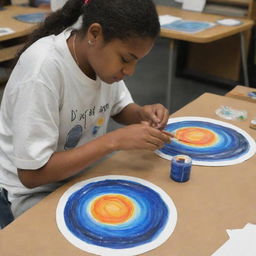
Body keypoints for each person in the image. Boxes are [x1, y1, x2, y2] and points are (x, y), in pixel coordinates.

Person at [0, 0, 170, 220]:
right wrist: (113, 141)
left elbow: (118, 107)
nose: (130, 71)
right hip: (28, 193)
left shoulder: (100, 61)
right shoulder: (43, 70)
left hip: (78, 176)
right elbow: (31, 175)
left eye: (137, 62)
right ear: (95, 34)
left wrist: (141, 114)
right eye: (126, 59)